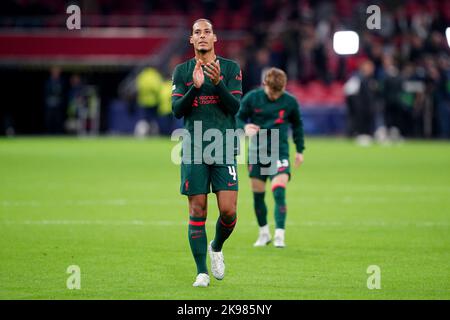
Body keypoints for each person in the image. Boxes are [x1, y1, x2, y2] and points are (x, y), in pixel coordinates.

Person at [171, 19, 242, 287]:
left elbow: (235, 107)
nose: (202, 36)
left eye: (207, 32)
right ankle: (201, 272)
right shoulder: (182, 71)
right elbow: (177, 110)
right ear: (191, 40)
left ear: (215, 38)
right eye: (197, 32)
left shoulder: (232, 68)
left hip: (224, 146)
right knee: (197, 209)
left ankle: (217, 245)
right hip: (193, 148)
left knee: (228, 211)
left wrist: (218, 82)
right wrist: (195, 88)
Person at [236, 67, 305, 248]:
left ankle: (280, 235)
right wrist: (245, 127)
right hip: (256, 153)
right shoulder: (252, 98)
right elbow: (238, 117)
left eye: (278, 92)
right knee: (258, 196)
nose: (274, 95)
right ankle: (264, 233)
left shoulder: (290, 102)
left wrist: (299, 150)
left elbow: (297, 126)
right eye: (271, 91)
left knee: (279, 190)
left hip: (279, 151)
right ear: (264, 84)